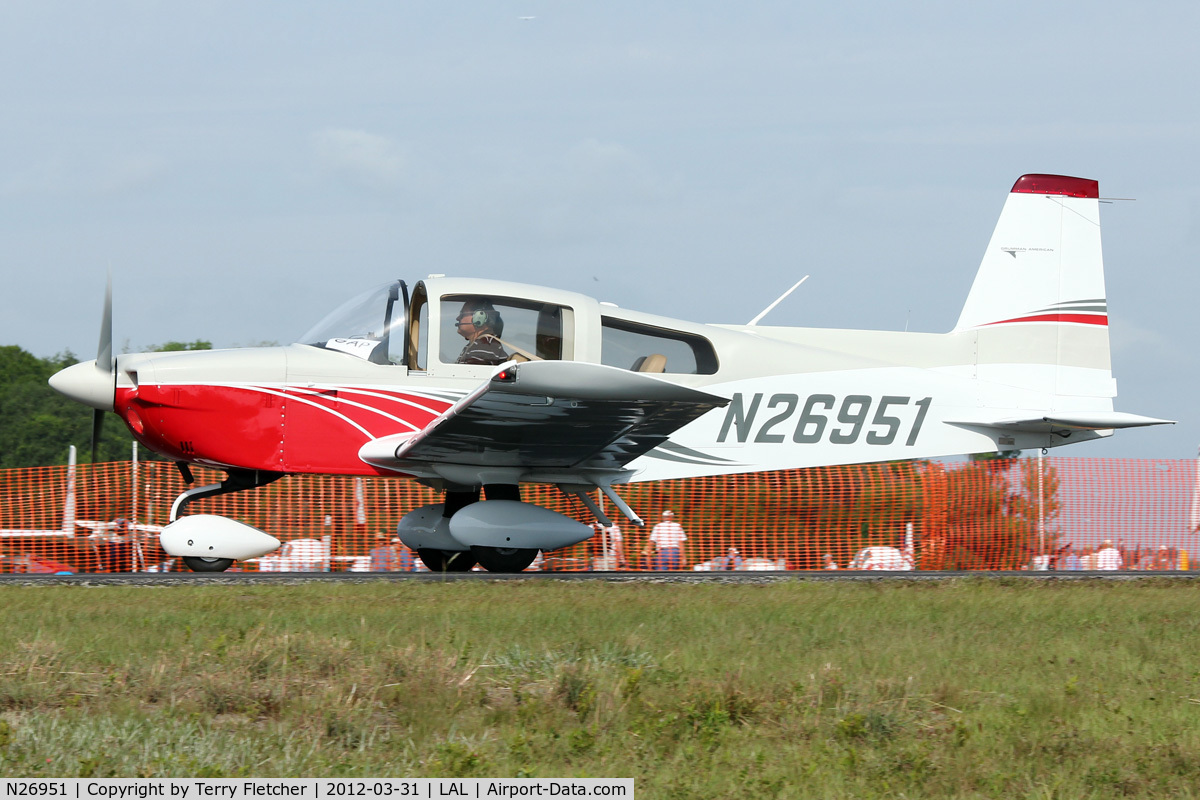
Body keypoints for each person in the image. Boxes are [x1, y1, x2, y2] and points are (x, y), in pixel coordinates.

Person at [453, 298, 508, 365]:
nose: (457, 318)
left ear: (479, 317)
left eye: (462, 314)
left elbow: (472, 374)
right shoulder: (481, 344)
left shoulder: (484, 346)